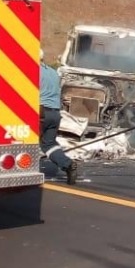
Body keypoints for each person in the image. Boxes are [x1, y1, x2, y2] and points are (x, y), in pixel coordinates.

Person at [39, 49, 78, 185]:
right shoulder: (53, 72)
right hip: (55, 113)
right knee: (49, 144)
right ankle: (68, 165)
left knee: (24, 142)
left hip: (40, 112)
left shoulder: (33, 71)